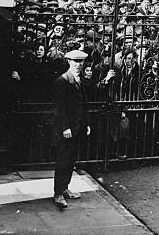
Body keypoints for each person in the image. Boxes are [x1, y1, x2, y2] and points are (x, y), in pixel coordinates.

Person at [53, 49, 91, 209]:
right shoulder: (62, 81)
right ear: (69, 62)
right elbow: (59, 108)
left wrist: (87, 123)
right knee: (63, 160)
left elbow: (83, 105)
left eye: (81, 62)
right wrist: (65, 127)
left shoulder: (80, 80)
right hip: (67, 129)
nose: (78, 65)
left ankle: (65, 188)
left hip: (77, 127)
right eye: (75, 62)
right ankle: (58, 193)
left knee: (71, 160)